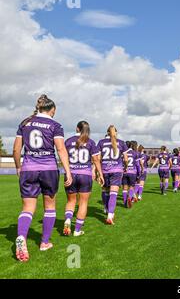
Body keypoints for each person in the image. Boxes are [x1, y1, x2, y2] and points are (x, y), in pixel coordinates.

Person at [13, 95, 72, 262]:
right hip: (49, 170)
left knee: (27, 207)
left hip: (29, 169)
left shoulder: (24, 123)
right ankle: (44, 242)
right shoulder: (55, 125)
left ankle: (21, 237)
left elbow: (17, 150)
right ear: (52, 110)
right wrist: (68, 171)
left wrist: (18, 166)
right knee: (50, 206)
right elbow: (61, 150)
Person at [64, 121, 104, 237]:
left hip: (70, 174)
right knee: (83, 203)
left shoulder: (68, 141)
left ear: (77, 128)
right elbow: (96, 160)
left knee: (71, 201)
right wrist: (100, 174)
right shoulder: (90, 142)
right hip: (85, 175)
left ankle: (67, 220)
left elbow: (63, 156)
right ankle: (77, 230)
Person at [97, 125, 129, 225]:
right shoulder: (122, 142)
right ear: (116, 133)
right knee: (113, 193)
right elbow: (126, 159)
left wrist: (97, 170)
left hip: (105, 170)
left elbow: (98, 158)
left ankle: (106, 208)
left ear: (107, 132)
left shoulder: (101, 142)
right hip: (117, 170)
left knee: (105, 191)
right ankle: (110, 215)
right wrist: (125, 166)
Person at [122, 141, 140, 208]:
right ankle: (129, 197)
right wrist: (138, 174)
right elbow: (138, 165)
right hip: (132, 172)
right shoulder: (135, 153)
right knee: (132, 187)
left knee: (125, 188)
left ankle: (124, 201)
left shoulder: (123, 153)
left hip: (124, 172)